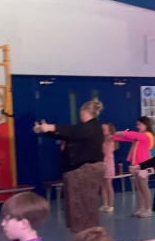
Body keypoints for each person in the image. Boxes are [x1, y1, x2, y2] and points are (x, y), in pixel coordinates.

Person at [33, 98, 105, 233]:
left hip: (87, 169)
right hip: (79, 169)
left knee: (85, 202)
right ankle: (83, 230)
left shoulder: (92, 127)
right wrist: (45, 130)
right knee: (77, 201)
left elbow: (72, 131)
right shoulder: (84, 128)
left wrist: (51, 127)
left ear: (84, 112)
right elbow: (68, 134)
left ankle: (89, 230)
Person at [114, 116, 155, 217]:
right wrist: (113, 136)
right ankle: (141, 208)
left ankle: (148, 209)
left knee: (144, 186)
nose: (137, 126)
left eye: (139, 124)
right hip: (135, 164)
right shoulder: (138, 136)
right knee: (138, 187)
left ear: (146, 125)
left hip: (144, 164)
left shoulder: (147, 135)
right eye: (137, 124)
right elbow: (126, 138)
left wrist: (122, 133)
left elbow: (131, 135)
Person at [100, 123, 118, 213]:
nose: (102, 131)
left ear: (109, 130)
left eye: (104, 129)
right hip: (102, 163)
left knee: (108, 184)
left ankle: (111, 205)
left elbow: (106, 150)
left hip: (108, 164)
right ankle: (105, 204)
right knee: (102, 185)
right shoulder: (102, 139)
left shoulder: (111, 138)